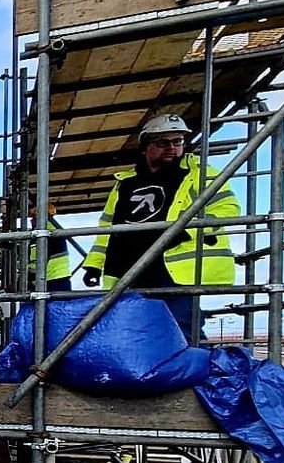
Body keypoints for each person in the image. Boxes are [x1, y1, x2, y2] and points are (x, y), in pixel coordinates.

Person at [80, 111, 237, 344]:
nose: (172, 148)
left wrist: (183, 231)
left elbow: (227, 209)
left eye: (178, 142)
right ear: (145, 147)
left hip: (174, 267)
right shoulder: (125, 183)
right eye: (163, 143)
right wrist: (94, 265)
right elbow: (108, 230)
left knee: (181, 326)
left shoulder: (198, 174)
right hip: (131, 267)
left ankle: (193, 376)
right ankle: (157, 376)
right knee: (137, 327)